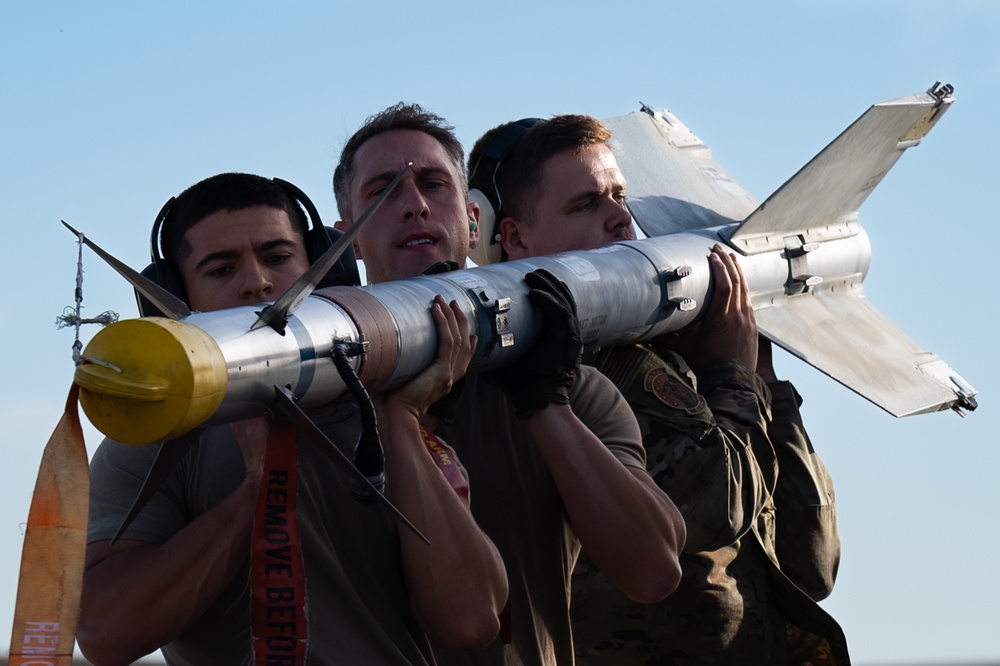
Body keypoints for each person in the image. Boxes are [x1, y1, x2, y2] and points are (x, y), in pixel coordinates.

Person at [78, 173, 508, 665]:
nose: (257, 281)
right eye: (220, 269)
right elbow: (104, 634)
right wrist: (255, 490)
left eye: (278, 258)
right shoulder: (155, 444)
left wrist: (403, 422)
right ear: (176, 296)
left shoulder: (397, 409)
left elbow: (470, 619)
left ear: (321, 269)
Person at [467, 114, 848, 665]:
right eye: (585, 205)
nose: (621, 219)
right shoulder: (569, 381)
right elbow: (715, 510)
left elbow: (812, 562)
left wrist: (763, 383)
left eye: (618, 196)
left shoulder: (668, 353)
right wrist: (731, 378)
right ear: (516, 238)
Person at [332, 103, 686, 666]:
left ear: (474, 220)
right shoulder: (321, 396)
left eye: (432, 184)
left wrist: (542, 402)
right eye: (384, 190)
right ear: (346, 238)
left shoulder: (572, 389)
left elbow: (653, 569)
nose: (415, 205)